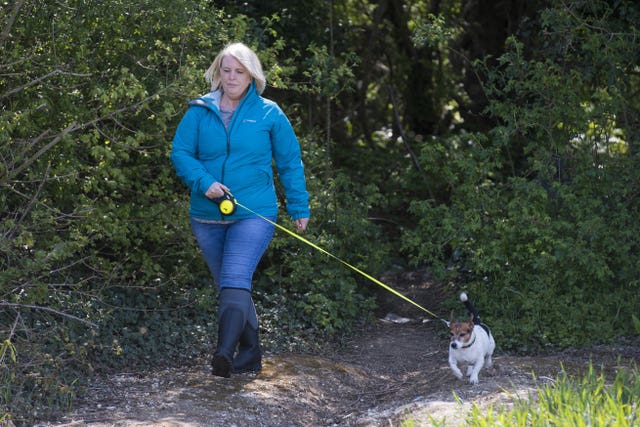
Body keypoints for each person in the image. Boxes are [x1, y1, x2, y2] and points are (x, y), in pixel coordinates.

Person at [170, 42, 310, 378]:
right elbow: (180, 153)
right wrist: (205, 182)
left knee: (234, 278)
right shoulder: (199, 111)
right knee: (232, 285)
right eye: (227, 70)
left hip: (254, 213)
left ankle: (223, 355)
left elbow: (289, 162)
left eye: (240, 71)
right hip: (206, 215)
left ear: (252, 76)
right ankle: (251, 354)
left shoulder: (269, 113)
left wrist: (298, 204)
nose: (232, 77)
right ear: (218, 72)